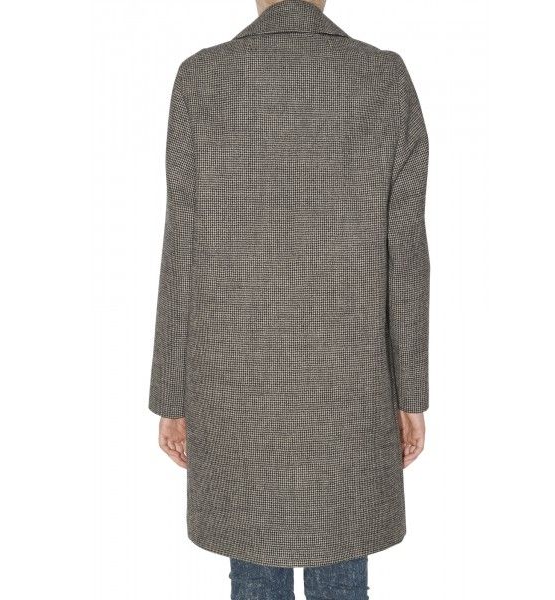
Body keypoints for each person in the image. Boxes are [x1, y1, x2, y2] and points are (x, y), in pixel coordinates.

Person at [148, 0, 429, 598]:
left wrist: (172, 395)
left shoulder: (202, 78)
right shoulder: (383, 78)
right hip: (348, 387)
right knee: (341, 566)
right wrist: (410, 394)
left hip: (234, 385)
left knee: (254, 570)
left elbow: (183, 248)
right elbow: (404, 255)